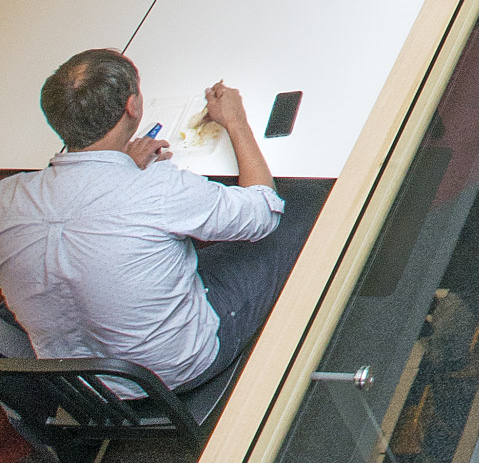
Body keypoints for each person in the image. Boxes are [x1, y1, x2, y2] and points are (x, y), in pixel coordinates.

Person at [0, 52, 311, 396]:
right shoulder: (155, 188)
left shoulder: (5, 198)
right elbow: (263, 210)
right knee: (298, 206)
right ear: (132, 106)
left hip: (83, 386)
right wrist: (236, 121)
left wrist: (119, 167)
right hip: (175, 367)